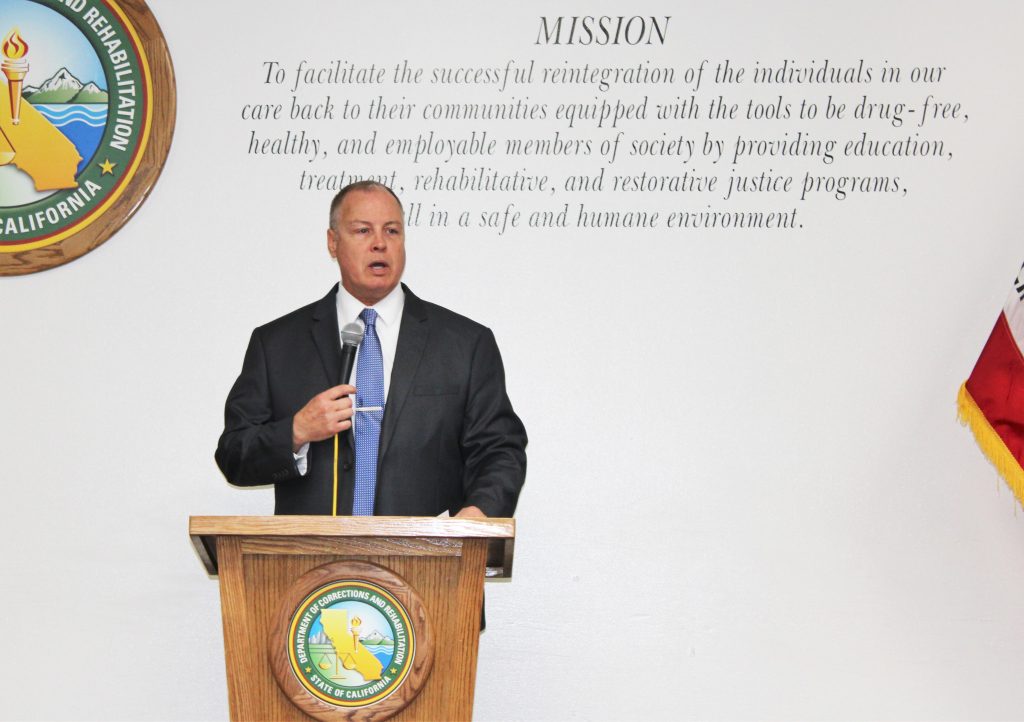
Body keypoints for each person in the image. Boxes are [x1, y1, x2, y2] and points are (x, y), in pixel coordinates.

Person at [215, 181, 527, 518]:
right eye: (363, 230)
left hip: (427, 560)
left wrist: (479, 513)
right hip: (314, 562)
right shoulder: (277, 344)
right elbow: (234, 454)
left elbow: (500, 450)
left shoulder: (464, 344)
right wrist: (296, 431)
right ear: (333, 243)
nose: (380, 243)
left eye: (392, 231)